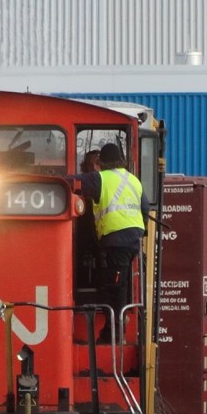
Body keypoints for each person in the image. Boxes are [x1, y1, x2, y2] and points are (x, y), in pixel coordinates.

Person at [70, 142, 149, 342]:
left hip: (115, 238)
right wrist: (139, 231)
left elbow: (71, 182)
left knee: (113, 285)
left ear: (102, 162)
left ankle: (113, 331)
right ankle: (114, 327)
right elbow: (145, 210)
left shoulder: (100, 179)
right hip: (133, 238)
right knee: (117, 280)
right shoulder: (134, 180)